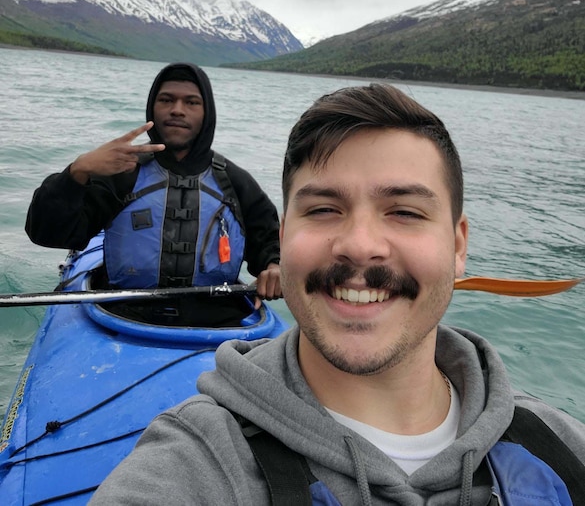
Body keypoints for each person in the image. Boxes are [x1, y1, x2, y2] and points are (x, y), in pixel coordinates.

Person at [89, 83, 585, 504]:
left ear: (458, 247)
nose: (359, 246)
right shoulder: (192, 464)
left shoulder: (561, 445)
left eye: (406, 212)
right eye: (324, 209)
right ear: (287, 237)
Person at [26, 62, 281, 325]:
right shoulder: (123, 173)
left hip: (215, 319)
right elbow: (47, 233)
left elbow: (270, 242)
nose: (177, 110)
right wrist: (77, 171)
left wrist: (275, 267)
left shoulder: (235, 182)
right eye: (166, 100)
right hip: (122, 313)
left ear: (207, 113)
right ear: (152, 107)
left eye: (191, 102)